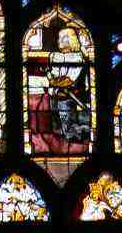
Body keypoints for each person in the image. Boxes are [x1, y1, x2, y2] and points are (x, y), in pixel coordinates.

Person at [27, 26, 90, 154]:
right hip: (55, 96)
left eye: (63, 37)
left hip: (69, 97)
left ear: (71, 39)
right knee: (57, 129)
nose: (59, 40)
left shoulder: (78, 57)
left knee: (69, 132)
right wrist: (54, 79)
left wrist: (56, 80)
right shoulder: (55, 56)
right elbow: (54, 78)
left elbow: (68, 80)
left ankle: (92, 128)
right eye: (59, 37)